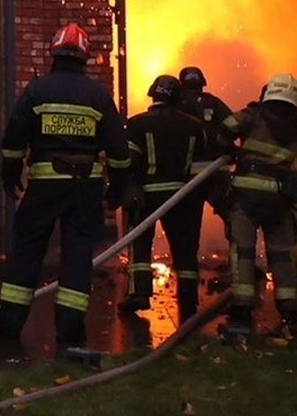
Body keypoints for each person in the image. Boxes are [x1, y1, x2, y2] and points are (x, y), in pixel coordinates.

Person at [0, 22, 130, 350]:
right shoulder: (98, 96)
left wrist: (10, 176)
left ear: (54, 52)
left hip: (44, 187)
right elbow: (119, 151)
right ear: (85, 55)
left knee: (27, 252)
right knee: (77, 257)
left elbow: (13, 141)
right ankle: (70, 333)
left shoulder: (37, 91)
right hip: (86, 189)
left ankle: (10, 325)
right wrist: (116, 191)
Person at [119, 74, 205, 321]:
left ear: (152, 95)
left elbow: (127, 162)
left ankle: (139, 294)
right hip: (182, 197)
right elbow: (202, 163)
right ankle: (188, 300)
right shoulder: (194, 126)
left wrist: (127, 187)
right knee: (185, 249)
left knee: (140, 243)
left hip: (146, 196)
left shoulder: (136, 124)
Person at [219, 73, 297, 336]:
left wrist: (228, 149)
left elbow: (227, 125)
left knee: (243, 251)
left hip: (246, 196)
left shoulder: (254, 115)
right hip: (279, 200)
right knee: (282, 254)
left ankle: (241, 312)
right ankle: (290, 312)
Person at [177, 64, 233, 233]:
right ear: (202, 83)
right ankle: (237, 248)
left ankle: (189, 251)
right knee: (232, 217)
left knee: (189, 223)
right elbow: (233, 125)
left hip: (187, 175)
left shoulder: (178, 104)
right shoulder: (214, 102)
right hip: (217, 170)